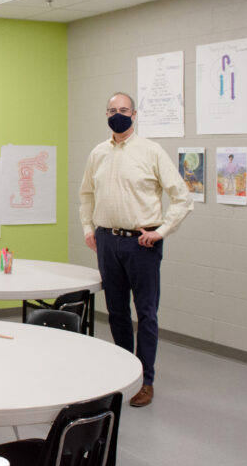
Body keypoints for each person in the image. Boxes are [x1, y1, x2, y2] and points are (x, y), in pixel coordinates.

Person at [79, 92, 192, 407]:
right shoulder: (98, 153)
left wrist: (162, 232)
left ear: (135, 114)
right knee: (116, 313)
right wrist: (89, 230)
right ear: (106, 115)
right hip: (106, 241)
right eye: (112, 110)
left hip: (142, 243)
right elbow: (86, 194)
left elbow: (182, 198)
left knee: (146, 313)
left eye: (124, 110)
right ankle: (123, 373)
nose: (118, 114)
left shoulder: (151, 151)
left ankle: (145, 380)